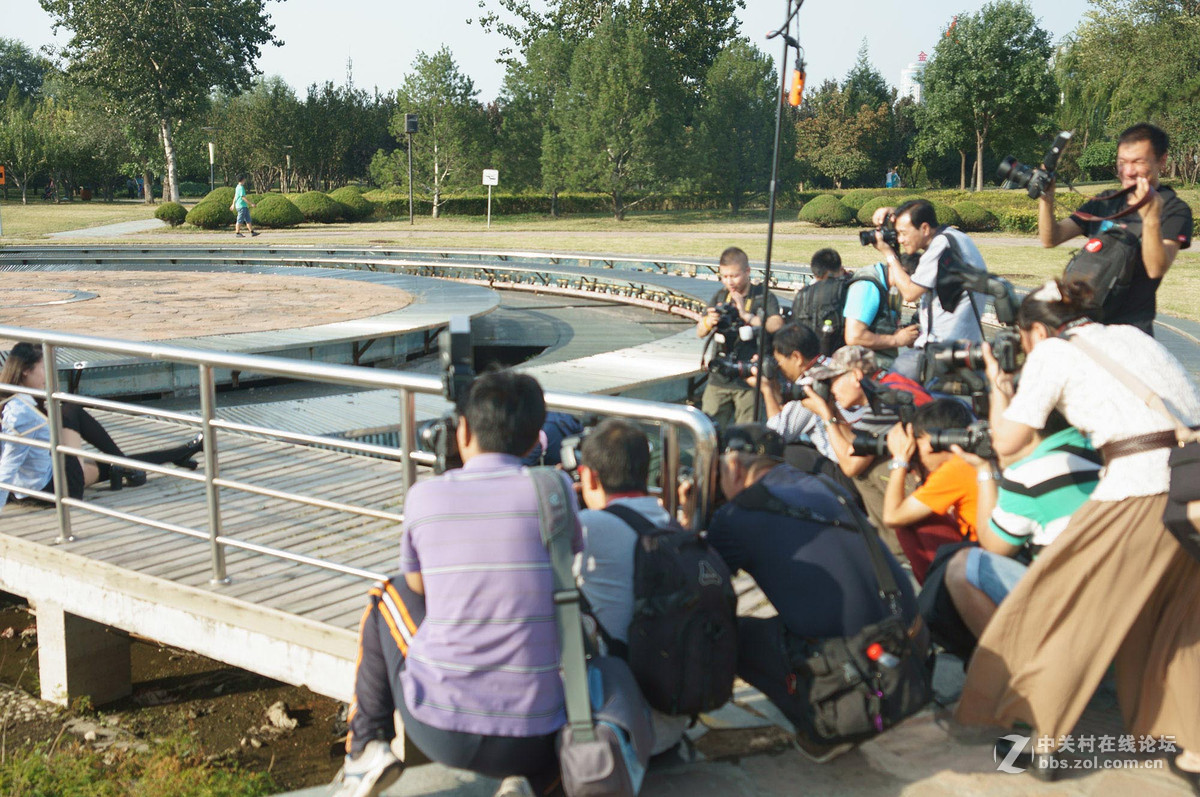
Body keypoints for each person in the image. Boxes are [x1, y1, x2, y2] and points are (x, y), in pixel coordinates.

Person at [956, 279, 1200, 789]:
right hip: (1192, 489)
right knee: (1173, 622)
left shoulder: (1053, 352)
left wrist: (1002, 387)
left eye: (1023, 339)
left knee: (1062, 608)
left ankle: (1038, 741)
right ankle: (1190, 749)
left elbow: (1008, 442)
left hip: (1139, 489)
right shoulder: (1133, 336)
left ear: (1039, 330)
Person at [336, 371, 579, 797]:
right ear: (533, 441)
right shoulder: (555, 490)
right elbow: (570, 561)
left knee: (387, 595)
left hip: (439, 730)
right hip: (536, 738)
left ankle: (366, 748)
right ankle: (529, 780)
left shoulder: (425, 497)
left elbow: (417, 585)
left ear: (463, 431)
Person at [701, 424, 922, 761]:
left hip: (853, 674)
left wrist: (687, 521)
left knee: (724, 631)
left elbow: (700, 584)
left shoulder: (735, 516)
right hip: (909, 646)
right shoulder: (826, 484)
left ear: (733, 466)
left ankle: (823, 725)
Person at [574, 418, 691, 756]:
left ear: (588, 476)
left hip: (620, 732)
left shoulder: (588, 526)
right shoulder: (670, 523)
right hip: (672, 722)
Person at [941, 410, 1101, 637]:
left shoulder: (1029, 473)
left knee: (963, 566)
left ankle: (1013, 658)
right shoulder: (1096, 450)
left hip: (1076, 611)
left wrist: (984, 470)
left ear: (1027, 428)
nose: (995, 433)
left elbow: (993, 546)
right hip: (1117, 593)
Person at [1, 343, 203, 509]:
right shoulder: (21, 413)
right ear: (26, 371)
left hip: (38, 483)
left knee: (110, 465)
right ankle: (130, 464)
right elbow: (9, 463)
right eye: (43, 369)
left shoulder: (15, 402)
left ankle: (178, 454)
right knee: (72, 410)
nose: (48, 376)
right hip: (51, 489)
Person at [1037, 123, 1193, 335]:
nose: (1128, 171)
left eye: (1138, 162)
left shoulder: (1174, 209)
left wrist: (1151, 218)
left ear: (1162, 161)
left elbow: (1156, 269)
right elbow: (1051, 238)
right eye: (1122, 162)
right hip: (1084, 324)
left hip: (1130, 332)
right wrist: (1046, 197)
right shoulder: (1106, 201)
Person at [782, 345, 931, 555]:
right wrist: (834, 412)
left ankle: (898, 550)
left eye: (834, 380)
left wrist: (826, 417)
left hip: (925, 484)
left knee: (864, 470)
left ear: (856, 376)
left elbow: (851, 465)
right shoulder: (887, 389)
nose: (831, 389)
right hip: (923, 477)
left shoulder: (885, 404)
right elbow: (858, 444)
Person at [870, 199, 988, 381]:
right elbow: (922, 212)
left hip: (942, 351)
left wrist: (889, 254)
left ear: (924, 228)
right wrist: (896, 213)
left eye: (903, 233)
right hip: (964, 344)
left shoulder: (941, 246)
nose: (900, 240)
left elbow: (909, 293)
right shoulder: (954, 237)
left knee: (889, 386)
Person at [882, 398, 980, 583]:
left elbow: (892, 517)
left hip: (985, 557)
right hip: (992, 549)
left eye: (917, 443)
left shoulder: (955, 469)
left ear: (934, 442)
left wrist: (900, 460)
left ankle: (939, 591)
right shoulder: (973, 457)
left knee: (913, 522)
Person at [697, 246, 784, 429]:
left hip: (749, 380)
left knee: (746, 434)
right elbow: (700, 332)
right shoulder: (721, 296)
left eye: (734, 276)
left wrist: (747, 316)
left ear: (747, 271)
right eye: (724, 276)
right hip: (720, 377)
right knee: (709, 430)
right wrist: (709, 321)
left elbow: (777, 324)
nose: (729, 282)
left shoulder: (762, 296)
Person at [790, 248, 917, 363]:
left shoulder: (888, 286)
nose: (914, 293)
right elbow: (854, 336)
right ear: (903, 273)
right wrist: (897, 339)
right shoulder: (868, 287)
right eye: (915, 286)